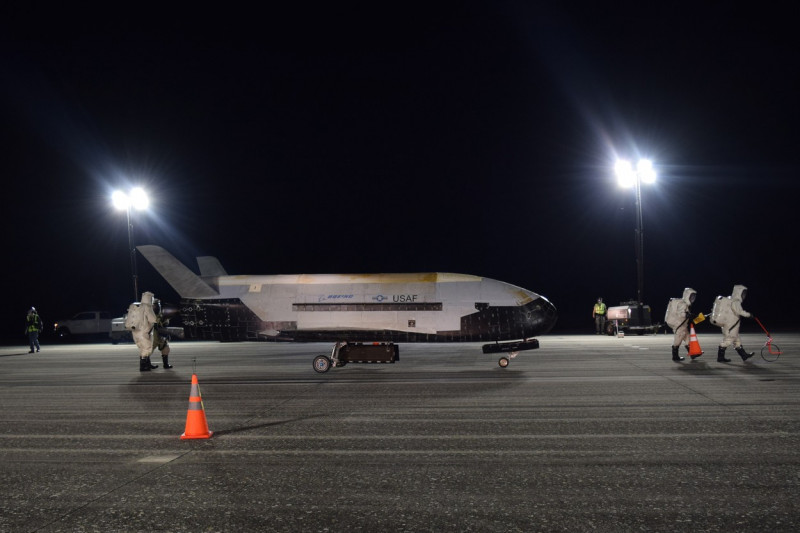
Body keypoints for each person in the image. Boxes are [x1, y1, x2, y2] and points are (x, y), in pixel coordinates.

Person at [710, 284, 754, 362]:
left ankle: (744, 356)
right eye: (743, 293)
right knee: (728, 341)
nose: (744, 295)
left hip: (731, 326)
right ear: (739, 292)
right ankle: (720, 357)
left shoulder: (731, 300)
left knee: (737, 340)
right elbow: (739, 311)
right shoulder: (735, 302)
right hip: (731, 326)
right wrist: (749, 315)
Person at [126, 292, 159, 371]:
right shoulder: (147, 307)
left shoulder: (134, 306)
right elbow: (153, 319)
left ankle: (147, 364)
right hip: (144, 332)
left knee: (142, 348)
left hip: (135, 332)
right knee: (147, 348)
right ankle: (143, 366)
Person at [664, 288, 698, 362]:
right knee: (679, 338)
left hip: (682, 325)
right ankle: (675, 356)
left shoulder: (683, 303)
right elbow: (682, 314)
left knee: (687, 337)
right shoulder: (683, 304)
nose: (693, 298)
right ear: (687, 296)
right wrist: (689, 315)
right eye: (691, 296)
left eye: (693, 297)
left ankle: (692, 353)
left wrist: (690, 315)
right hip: (679, 325)